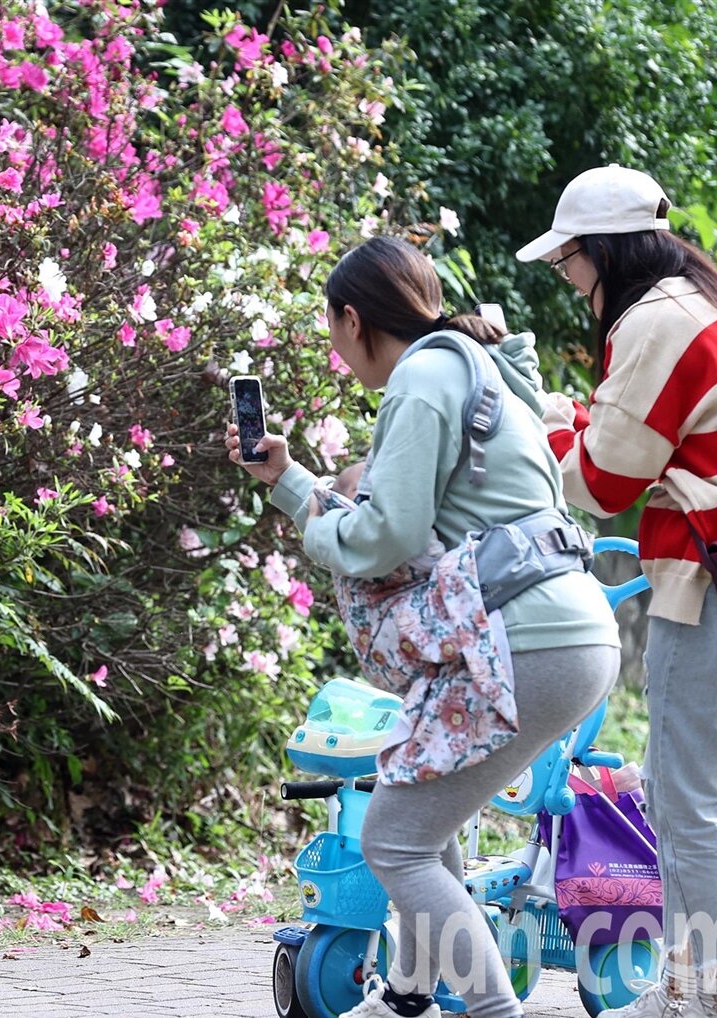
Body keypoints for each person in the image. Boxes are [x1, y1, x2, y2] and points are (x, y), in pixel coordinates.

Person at [227, 235, 622, 1018]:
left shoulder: (423, 377)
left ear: (352, 319)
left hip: (520, 642)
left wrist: (313, 528)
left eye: (335, 336)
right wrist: (290, 482)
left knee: (395, 841)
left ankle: (491, 1011)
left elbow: (387, 535)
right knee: (420, 811)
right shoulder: (472, 368)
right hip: (557, 630)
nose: (342, 356)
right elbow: (405, 517)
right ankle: (404, 998)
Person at [516, 164, 717, 1018]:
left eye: (570, 263)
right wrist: (581, 423)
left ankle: (709, 1000)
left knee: (686, 803)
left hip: (714, 584)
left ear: (604, 252)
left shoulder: (651, 323)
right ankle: (689, 988)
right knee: (687, 793)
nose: (569, 281)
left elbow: (604, 483)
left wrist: (547, 431)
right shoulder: (711, 305)